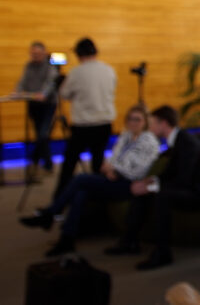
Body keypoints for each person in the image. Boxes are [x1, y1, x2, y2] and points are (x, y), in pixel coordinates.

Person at [19, 105, 160, 257]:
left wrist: (116, 171)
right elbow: (113, 159)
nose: (133, 122)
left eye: (137, 119)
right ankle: (66, 240)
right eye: (131, 119)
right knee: (81, 192)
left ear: (145, 122)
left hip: (130, 184)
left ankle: (50, 214)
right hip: (113, 178)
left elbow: (139, 170)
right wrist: (110, 169)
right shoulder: (126, 136)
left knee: (80, 179)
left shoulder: (148, 141)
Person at [105, 105, 200, 270]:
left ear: (164, 123)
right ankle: (129, 241)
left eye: (153, 123)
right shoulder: (177, 140)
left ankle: (162, 253)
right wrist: (149, 182)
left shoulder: (187, 143)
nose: (150, 127)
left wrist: (153, 187)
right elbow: (171, 172)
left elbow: (183, 179)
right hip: (191, 186)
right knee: (143, 192)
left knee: (162, 197)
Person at [55, 37, 117, 199]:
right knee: (98, 162)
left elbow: (65, 94)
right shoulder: (109, 70)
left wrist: (61, 83)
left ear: (79, 54)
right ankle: (99, 199)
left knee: (69, 163)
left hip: (83, 126)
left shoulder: (76, 72)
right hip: (104, 123)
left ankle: (59, 200)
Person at [14, 41, 58, 176]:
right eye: (33, 54)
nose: (35, 56)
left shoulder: (50, 66)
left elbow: (51, 83)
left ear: (44, 53)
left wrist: (43, 94)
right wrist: (17, 92)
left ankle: (42, 162)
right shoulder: (28, 66)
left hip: (48, 105)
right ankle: (39, 161)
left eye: (38, 53)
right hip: (33, 105)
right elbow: (22, 82)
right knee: (40, 135)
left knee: (42, 135)